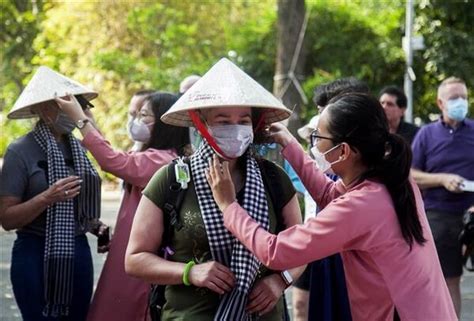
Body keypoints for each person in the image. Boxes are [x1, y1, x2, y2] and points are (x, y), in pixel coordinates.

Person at [207, 92, 457, 321]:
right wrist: (289, 143)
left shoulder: (363, 204)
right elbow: (329, 194)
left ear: (344, 151)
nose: (314, 145)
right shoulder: (392, 178)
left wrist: (229, 206)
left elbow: (276, 251)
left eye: (318, 137)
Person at [125, 58, 306, 320]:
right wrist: (190, 272)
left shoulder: (273, 179)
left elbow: (301, 248)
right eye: (223, 121)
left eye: (243, 120)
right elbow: (135, 259)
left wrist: (280, 280)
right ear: (202, 123)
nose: (235, 128)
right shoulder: (172, 179)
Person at [55, 91, 190, 321]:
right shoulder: (157, 156)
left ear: (164, 123)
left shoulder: (161, 160)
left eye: (144, 115)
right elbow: (120, 157)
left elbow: (113, 161)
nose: (137, 120)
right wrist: (91, 123)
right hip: (130, 250)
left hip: (140, 256)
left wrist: (81, 120)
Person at [0, 66, 102, 321]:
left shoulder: (79, 147)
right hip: (34, 252)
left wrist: (95, 225)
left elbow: (81, 202)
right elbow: (7, 219)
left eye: (75, 103)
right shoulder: (20, 151)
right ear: (44, 110)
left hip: (77, 250)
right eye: (64, 104)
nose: (72, 110)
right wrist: (47, 197)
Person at [411, 77, 474, 318]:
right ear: (440, 103)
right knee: (448, 281)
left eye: (464, 98)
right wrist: (442, 179)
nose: (460, 103)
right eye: (454, 98)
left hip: (472, 211)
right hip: (440, 214)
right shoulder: (426, 135)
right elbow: (411, 175)